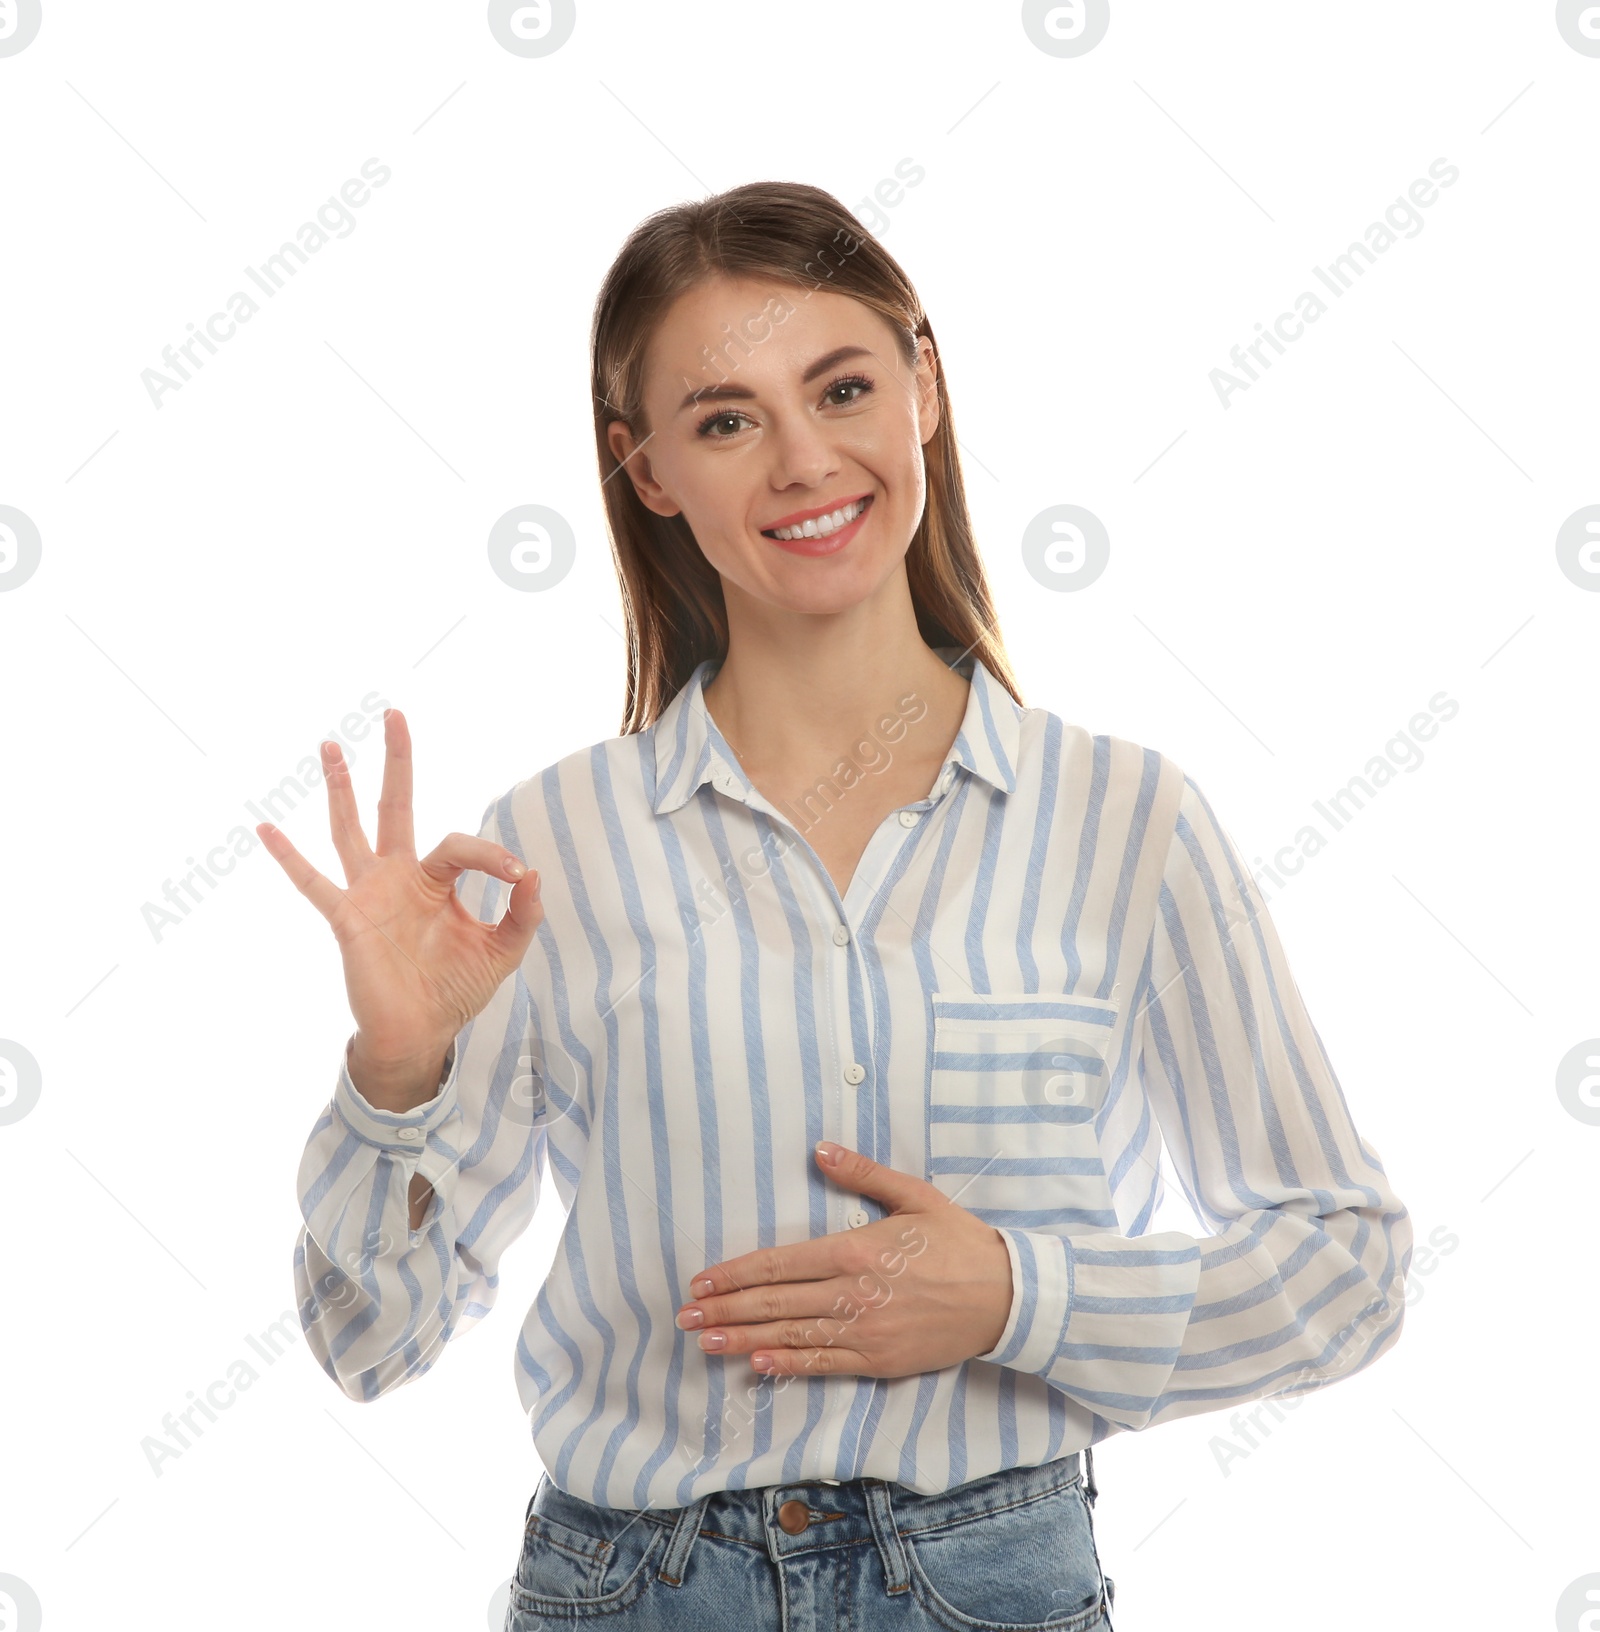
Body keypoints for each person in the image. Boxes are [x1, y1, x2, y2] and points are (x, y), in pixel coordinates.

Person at [263, 181, 1412, 1630]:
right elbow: (370, 1344)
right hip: (633, 1593)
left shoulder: (1130, 823)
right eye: (728, 419)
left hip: (993, 1587)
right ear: (651, 470)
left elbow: (1347, 1265)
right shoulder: (553, 849)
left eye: (844, 387)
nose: (804, 462)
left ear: (922, 386)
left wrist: (1011, 1296)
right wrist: (397, 1073)